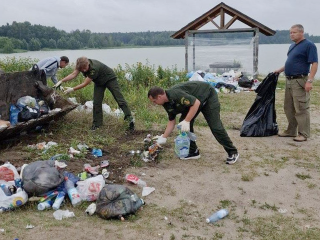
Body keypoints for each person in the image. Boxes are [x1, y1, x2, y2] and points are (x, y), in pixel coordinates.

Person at [148, 81, 239, 164]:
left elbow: (196, 103)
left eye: (154, 101)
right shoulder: (166, 103)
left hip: (207, 95)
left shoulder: (176, 94)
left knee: (215, 126)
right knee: (182, 124)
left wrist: (187, 121)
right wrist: (164, 137)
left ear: (159, 97)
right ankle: (193, 152)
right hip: (195, 101)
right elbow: (171, 121)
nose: (155, 103)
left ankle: (232, 152)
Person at [54, 56, 134, 131]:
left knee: (119, 99)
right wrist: (61, 81)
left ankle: (129, 120)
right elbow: (73, 74)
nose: (84, 70)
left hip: (110, 78)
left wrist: (72, 89)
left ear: (88, 64)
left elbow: (85, 84)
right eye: (82, 69)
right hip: (99, 82)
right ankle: (97, 125)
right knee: (96, 103)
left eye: (85, 68)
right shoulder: (81, 65)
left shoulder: (93, 69)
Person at [274, 24, 318, 142]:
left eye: (294, 32)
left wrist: (310, 80)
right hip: (289, 80)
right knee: (288, 107)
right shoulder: (292, 46)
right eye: (290, 32)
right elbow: (291, 62)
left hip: (300, 80)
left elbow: (314, 63)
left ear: (301, 33)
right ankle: (291, 131)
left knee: (301, 108)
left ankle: (303, 134)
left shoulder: (309, 45)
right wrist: (280, 70)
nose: (291, 34)